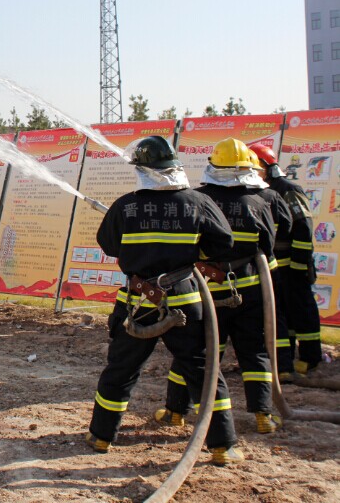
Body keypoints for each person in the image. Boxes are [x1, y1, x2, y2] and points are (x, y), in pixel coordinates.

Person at [86, 135, 242, 466]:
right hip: (184, 299)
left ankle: (101, 436)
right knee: (201, 368)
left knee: (122, 369)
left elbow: (109, 245)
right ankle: (222, 445)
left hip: (137, 302)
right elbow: (224, 243)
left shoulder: (125, 205)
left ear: (142, 170)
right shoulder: (198, 202)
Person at [158, 138, 279, 435]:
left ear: (213, 166)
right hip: (248, 290)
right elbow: (268, 251)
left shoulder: (196, 200)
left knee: (195, 352)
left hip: (203, 292)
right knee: (253, 350)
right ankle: (263, 415)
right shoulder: (259, 202)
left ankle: (175, 412)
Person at [249, 143, 323, 378]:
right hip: (274, 266)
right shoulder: (258, 191)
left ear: (267, 167)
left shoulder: (287, 189)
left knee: (302, 310)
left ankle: (311, 358)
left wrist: (299, 265)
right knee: (281, 312)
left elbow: (303, 227)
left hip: (294, 265)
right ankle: (286, 357)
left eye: (254, 167)